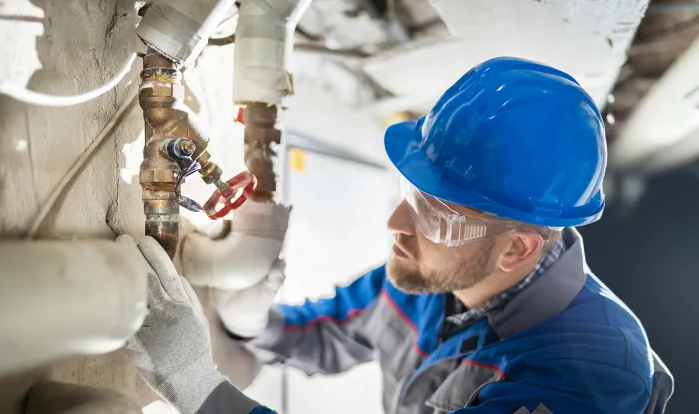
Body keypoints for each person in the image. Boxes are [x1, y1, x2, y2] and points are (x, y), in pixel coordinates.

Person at [120, 57, 674, 414]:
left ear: (518, 248)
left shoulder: (591, 375)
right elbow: (321, 334)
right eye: (409, 196)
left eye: (433, 215)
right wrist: (249, 312)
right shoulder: (428, 280)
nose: (396, 227)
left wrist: (198, 387)